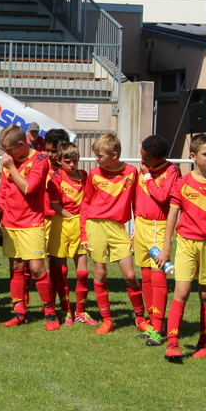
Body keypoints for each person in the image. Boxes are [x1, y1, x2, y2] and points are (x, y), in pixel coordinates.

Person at [156, 134, 206, 360]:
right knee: (182, 292)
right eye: (205, 154)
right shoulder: (182, 183)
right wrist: (166, 248)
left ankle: (203, 343)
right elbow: (172, 216)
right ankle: (172, 344)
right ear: (193, 156)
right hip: (186, 243)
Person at [80, 132, 148, 335]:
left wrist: (137, 229)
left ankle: (140, 318)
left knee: (130, 275)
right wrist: (84, 234)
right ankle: (107, 320)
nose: (96, 159)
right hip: (95, 225)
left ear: (114, 155)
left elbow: (137, 203)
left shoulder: (131, 172)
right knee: (100, 274)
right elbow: (86, 203)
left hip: (118, 228)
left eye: (100, 156)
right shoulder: (94, 174)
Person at [0, 124, 58, 330]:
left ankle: (50, 313)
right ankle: (19, 312)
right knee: (16, 267)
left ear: (21, 144)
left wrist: (11, 167)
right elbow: (1, 195)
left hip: (31, 222)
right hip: (10, 223)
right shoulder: (9, 161)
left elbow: (29, 188)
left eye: (9, 149)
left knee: (37, 268)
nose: (6, 154)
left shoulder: (39, 160)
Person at [134, 134, 182, 346]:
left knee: (157, 278)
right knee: (145, 276)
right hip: (142, 225)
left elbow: (162, 197)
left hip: (158, 226)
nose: (142, 160)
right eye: (141, 155)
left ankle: (159, 328)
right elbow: (138, 197)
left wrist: (147, 177)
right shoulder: (145, 169)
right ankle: (152, 324)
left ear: (159, 159)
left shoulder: (172, 170)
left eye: (146, 158)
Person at [47, 141, 93, 325]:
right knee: (61, 271)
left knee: (83, 271)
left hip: (80, 226)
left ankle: (81, 311)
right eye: (68, 161)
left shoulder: (84, 176)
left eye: (75, 161)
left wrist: (82, 218)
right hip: (62, 225)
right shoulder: (56, 177)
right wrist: (71, 217)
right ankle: (67, 311)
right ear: (59, 160)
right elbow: (54, 204)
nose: (72, 165)